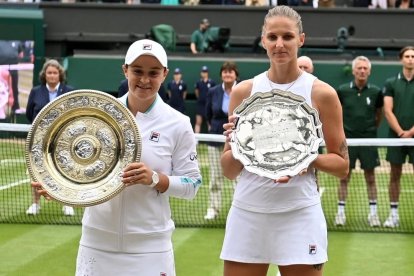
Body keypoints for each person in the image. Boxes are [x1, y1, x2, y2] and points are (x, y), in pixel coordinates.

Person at [32, 39, 202, 275]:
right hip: (96, 243)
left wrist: (154, 178)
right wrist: (59, 187)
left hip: (150, 248)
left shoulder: (178, 123)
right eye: (137, 71)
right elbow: (83, 174)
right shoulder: (98, 115)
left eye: (153, 73)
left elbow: (192, 184)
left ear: (164, 74)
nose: (144, 80)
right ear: (125, 70)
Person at [220, 6, 349, 276]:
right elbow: (229, 171)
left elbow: (341, 165)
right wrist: (238, 145)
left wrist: (303, 158)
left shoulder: (322, 93)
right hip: (248, 212)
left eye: (288, 37)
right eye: (273, 37)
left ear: (301, 39)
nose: (280, 44)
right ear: (263, 39)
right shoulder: (244, 92)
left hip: (299, 213)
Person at [334, 56, 383, 227]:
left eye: (365, 68)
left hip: (368, 141)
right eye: (359, 68)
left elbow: (379, 115)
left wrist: (369, 129)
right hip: (347, 142)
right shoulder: (342, 90)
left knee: (371, 178)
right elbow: (336, 114)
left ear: (369, 71)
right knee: (344, 177)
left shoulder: (376, 92)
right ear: (354, 71)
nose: (362, 71)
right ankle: (340, 213)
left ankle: (373, 214)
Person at [25, 59, 75, 216]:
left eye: (55, 72)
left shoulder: (69, 91)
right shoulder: (36, 92)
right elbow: (29, 113)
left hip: (63, 140)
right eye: (49, 73)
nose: (52, 75)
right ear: (44, 75)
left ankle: (67, 204)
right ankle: (35, 204)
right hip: (39, 141)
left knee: (66, 171)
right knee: (36, 172)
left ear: (60, 74)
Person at [382, 46, 414, 228]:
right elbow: (387, 110)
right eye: (407, 56)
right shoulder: (391, 83)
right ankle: (393, 215)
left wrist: (411, 132)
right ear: (401, 59)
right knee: (395, 175)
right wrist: (402, 133)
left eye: (413, 56)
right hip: (396, 137)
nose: (410, 59)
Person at [204, 61, 238, 220]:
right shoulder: (213, 92)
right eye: (225, 71)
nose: (227, 74)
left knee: (238, 178)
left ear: (235, 75)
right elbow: (208, 114)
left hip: (238, 141)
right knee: (215, 178)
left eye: (231, 71)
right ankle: (213, 209)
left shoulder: (243, 90)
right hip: (215, 138)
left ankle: (239, 211)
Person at [194, 65, 216, 134]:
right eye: (203, 72)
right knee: (198, 122)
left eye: (205, 72)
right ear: (201, 73)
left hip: (209, 105)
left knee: (209, 123)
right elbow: (197, 92)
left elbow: (214, 93)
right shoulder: (198, 83)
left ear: (207, 73)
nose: (204, 73)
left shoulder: (212, 82)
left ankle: (211, 140)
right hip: (200, 105)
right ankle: (196, 141)